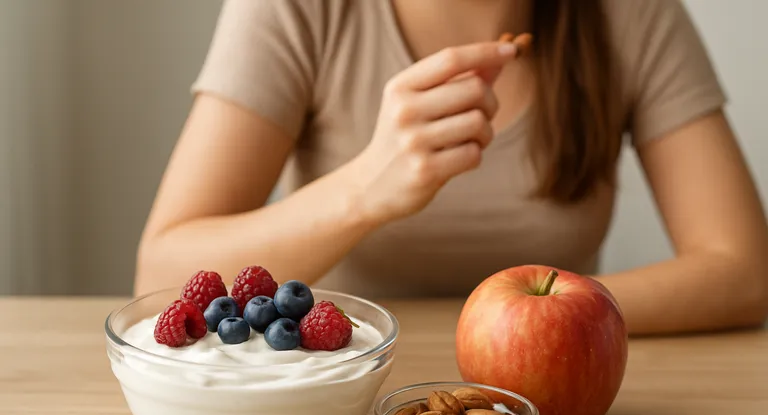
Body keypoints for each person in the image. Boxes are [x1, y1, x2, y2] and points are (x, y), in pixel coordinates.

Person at [134, 0, 768, 335]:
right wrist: (363, 189)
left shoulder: (630, 13)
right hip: (337, 411)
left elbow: (744, 272)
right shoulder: (295, 8)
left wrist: (527, 321)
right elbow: (160, 273)